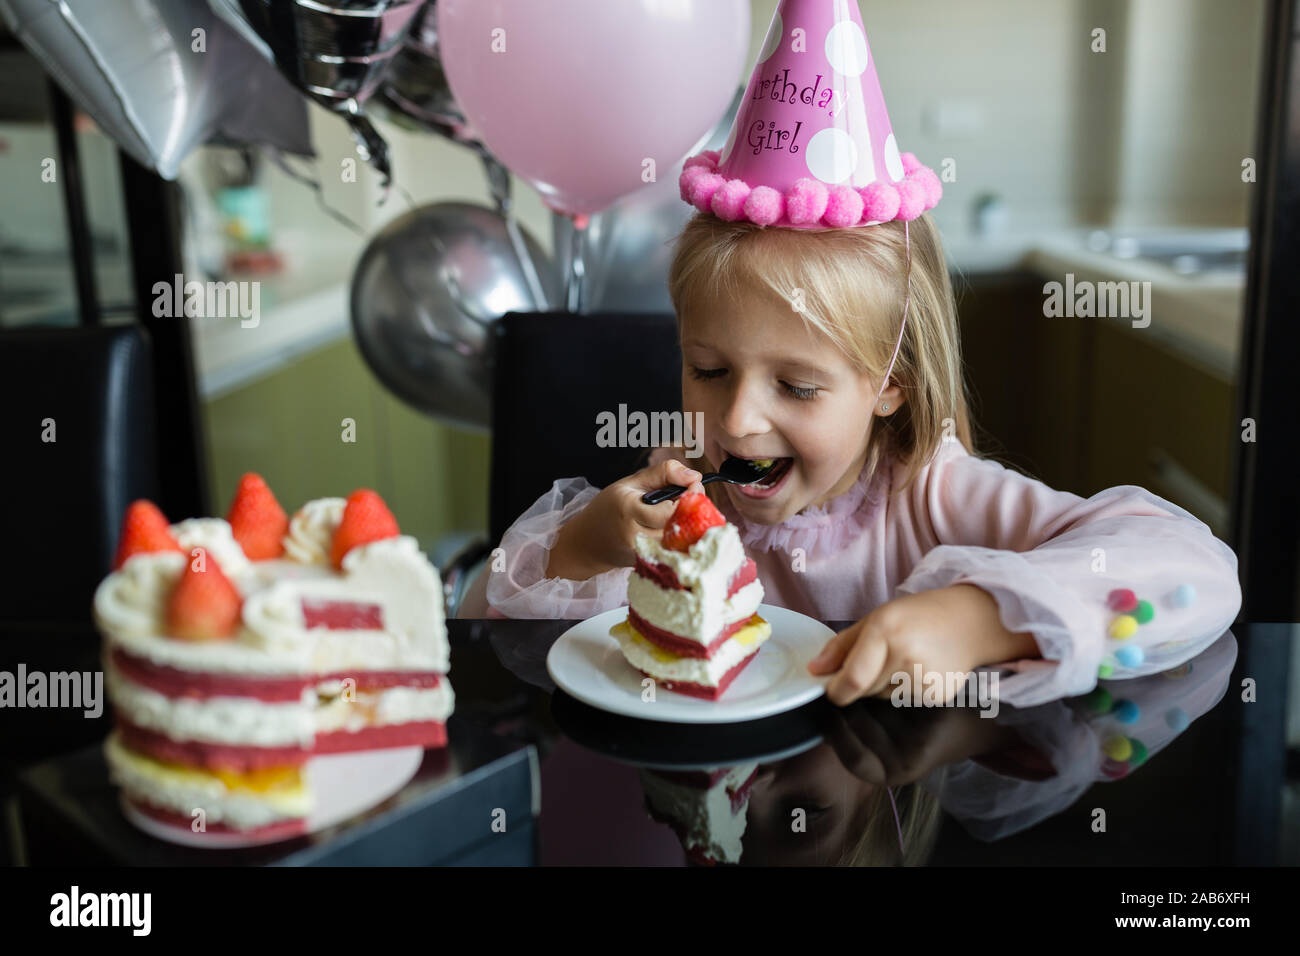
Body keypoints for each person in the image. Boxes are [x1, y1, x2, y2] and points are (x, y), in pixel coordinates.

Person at [457, 0, 1241, 711]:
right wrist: (583, 547)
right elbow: (477, 632)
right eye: (709, 369)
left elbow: (1194, 571)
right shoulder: (680, 503)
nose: (736, 418)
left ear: (890, 384)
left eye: (796, 386)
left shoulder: (935, 496)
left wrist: (976, 618)